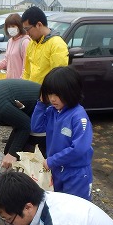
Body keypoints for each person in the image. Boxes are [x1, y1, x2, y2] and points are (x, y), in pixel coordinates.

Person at [31, 66, 93, 200]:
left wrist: (52, 160)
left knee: (76, 208)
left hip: (76, 173)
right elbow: (36, 127)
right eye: (49, 94)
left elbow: (79, 149)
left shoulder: (78, 117)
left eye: (57, 94)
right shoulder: (52, 111)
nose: (52, 99)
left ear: (70, 92)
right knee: (59, 205)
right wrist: (41, 104)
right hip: (57, 169)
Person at [20, 6, 68, 84]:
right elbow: (27, 73)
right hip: (32, 92)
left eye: (27, 29)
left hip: (46, 94)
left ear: (39, 25)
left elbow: (59, 79)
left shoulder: (57, 44)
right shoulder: (32, 43)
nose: (27, 33)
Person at [0, 13, 30, 79]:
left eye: (13, 26)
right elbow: (6, 61)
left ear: (19, 26)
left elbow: (26, 67)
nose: (10, 29)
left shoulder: (25, 42)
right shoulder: (10, 41)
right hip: (10, 81)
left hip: (20, 83)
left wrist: (21, 81)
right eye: (8, 27)